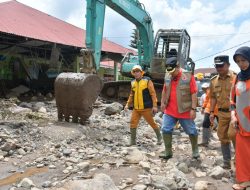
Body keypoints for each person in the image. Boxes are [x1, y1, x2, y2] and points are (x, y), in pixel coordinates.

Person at [159, 57, 199, 159]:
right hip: (170, 110)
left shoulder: (188, 76)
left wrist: (193, 109)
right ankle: (168, 152)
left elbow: (194, 93)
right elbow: (165, 89)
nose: (171, 74)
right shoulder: (168, 75)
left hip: (185, 110)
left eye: (173, 71)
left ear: (178, 67)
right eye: (169, 71)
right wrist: (163, 103)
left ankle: (195, 150)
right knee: (165, 128)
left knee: (192, 131)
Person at [209, 55, 237, 169]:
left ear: (228, 65)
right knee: (222, 137)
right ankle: (226, 162)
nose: (219, 68)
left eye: (221, 65)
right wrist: (211, 112)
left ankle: (239, 159)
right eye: (217, 66)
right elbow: (213, 97)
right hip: (221, 113)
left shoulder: (236, 77)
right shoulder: (214, 81)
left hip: (235, 113)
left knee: (233, 135)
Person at [124, 65, 162, 146]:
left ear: (141, 72)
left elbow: (153, 94)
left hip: (146, 108)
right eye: (135, 72)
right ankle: (133, 141)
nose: (136, 73)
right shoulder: (132, 82)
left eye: (138, 71)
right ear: (133, 73)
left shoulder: (147, 81)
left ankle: (159, 137)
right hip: (136, 109)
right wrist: (127, 104)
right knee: (133, 123)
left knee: (152, 123)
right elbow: (131, 94)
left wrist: (155, 106)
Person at [230, 46, 250, 190]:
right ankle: (245, 180)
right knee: (242, 153)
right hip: (242, 121)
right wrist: (233, 116)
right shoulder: (237, 78)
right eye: (238, 61)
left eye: (244, 60)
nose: (241, 64)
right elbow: (232, 100)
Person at [199, 82, 218, 147]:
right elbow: (207, 100)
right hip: (209, 109)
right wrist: (203, 107)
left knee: (222, 127)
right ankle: (205, 141)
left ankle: (225, 142)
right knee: (205, 123)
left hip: (220, 110)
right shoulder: (209, 90)